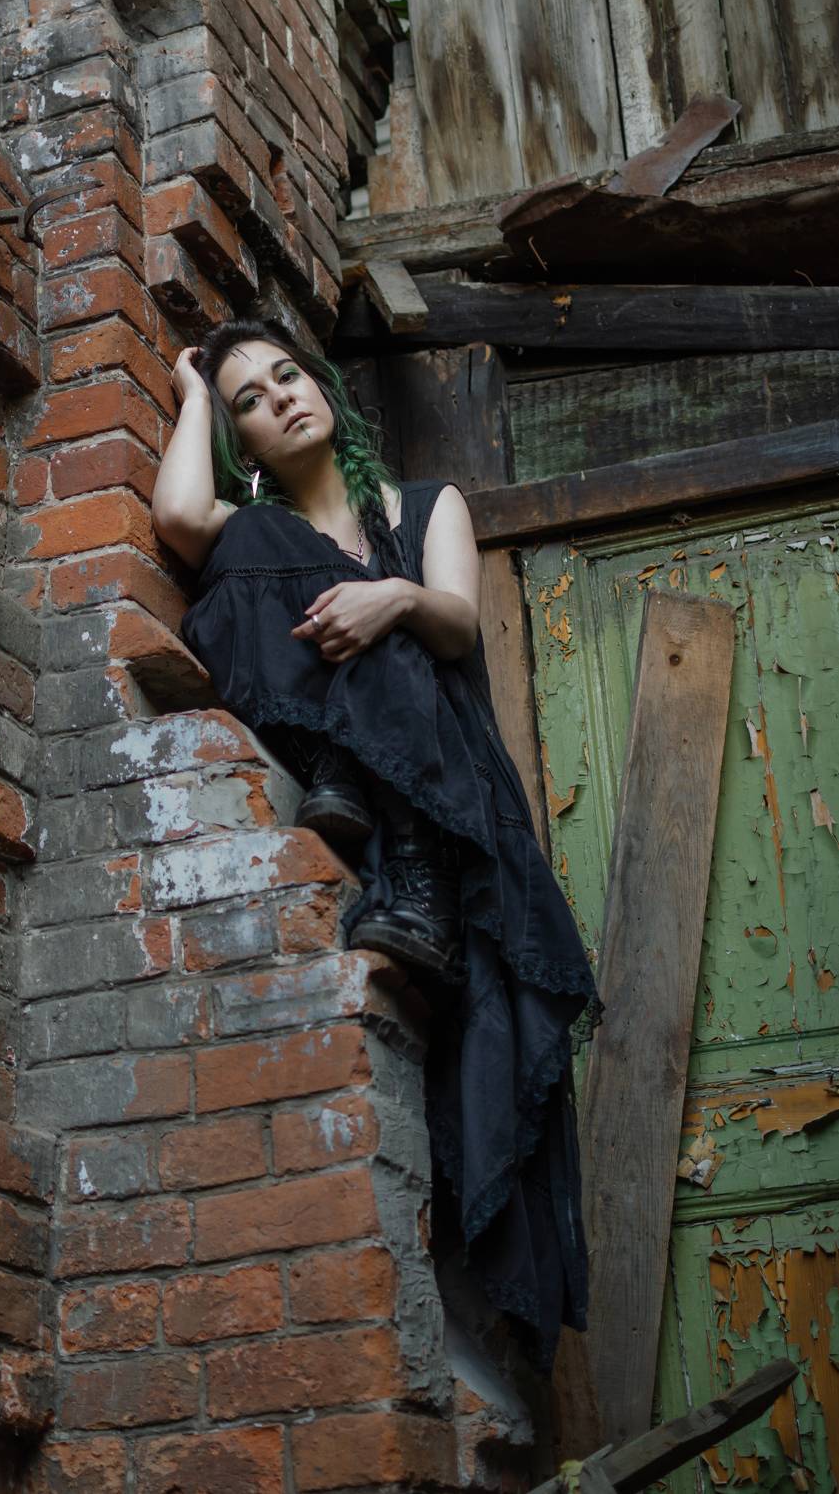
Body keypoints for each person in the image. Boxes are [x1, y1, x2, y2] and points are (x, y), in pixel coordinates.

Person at [152, 317, 600, 1370]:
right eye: (250, 400)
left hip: (454, 783)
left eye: (287, 375)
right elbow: (177, 517)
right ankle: (353, 786)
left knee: (485, 1060)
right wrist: (191, 395)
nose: (279, 397)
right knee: (245, 552)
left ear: (323, 387)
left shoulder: (424, 505)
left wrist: (391, 594)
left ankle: (419, 871)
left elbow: (457, 626)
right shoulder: (257, 532)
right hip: (362, 798)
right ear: (241, 442)